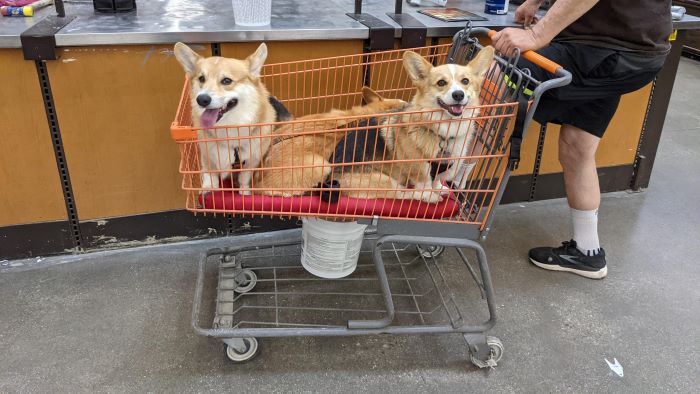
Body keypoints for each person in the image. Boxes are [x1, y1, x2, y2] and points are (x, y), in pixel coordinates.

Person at [492, 0, 672, 279]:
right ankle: (588, 253)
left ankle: (437, 204)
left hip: (603, 47)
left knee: (491, 79)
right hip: (635, 52)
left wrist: (536, 35)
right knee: (578, 144)